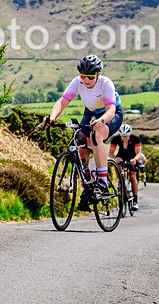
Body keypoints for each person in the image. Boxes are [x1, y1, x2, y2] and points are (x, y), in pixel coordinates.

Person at [43, 54, 124, 210]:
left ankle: (102, 180)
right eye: (83, 76)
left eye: (90, 77)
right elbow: (62, 101)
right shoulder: (77, 82)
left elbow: (111, 110)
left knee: (97, 134)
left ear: (97, 75)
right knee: (81, 147)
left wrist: (101, 121)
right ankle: (87, 189)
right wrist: (52, 117)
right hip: (91, 112)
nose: (86, 80)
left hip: (111, 114)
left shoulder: (105, 83)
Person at [108, 123, 144, 210]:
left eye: (126, 136)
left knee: (132, 176)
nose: (124, 138)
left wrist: (135, 160)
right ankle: (121, 181)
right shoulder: (116, 138)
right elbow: (111, 152)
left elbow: (138, 153)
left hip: (132, 156)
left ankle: (135, 201)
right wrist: (109, 159)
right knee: (117, 162)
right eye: (122, 136)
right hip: (122, 155)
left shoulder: (135, 138)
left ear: (129, 134)